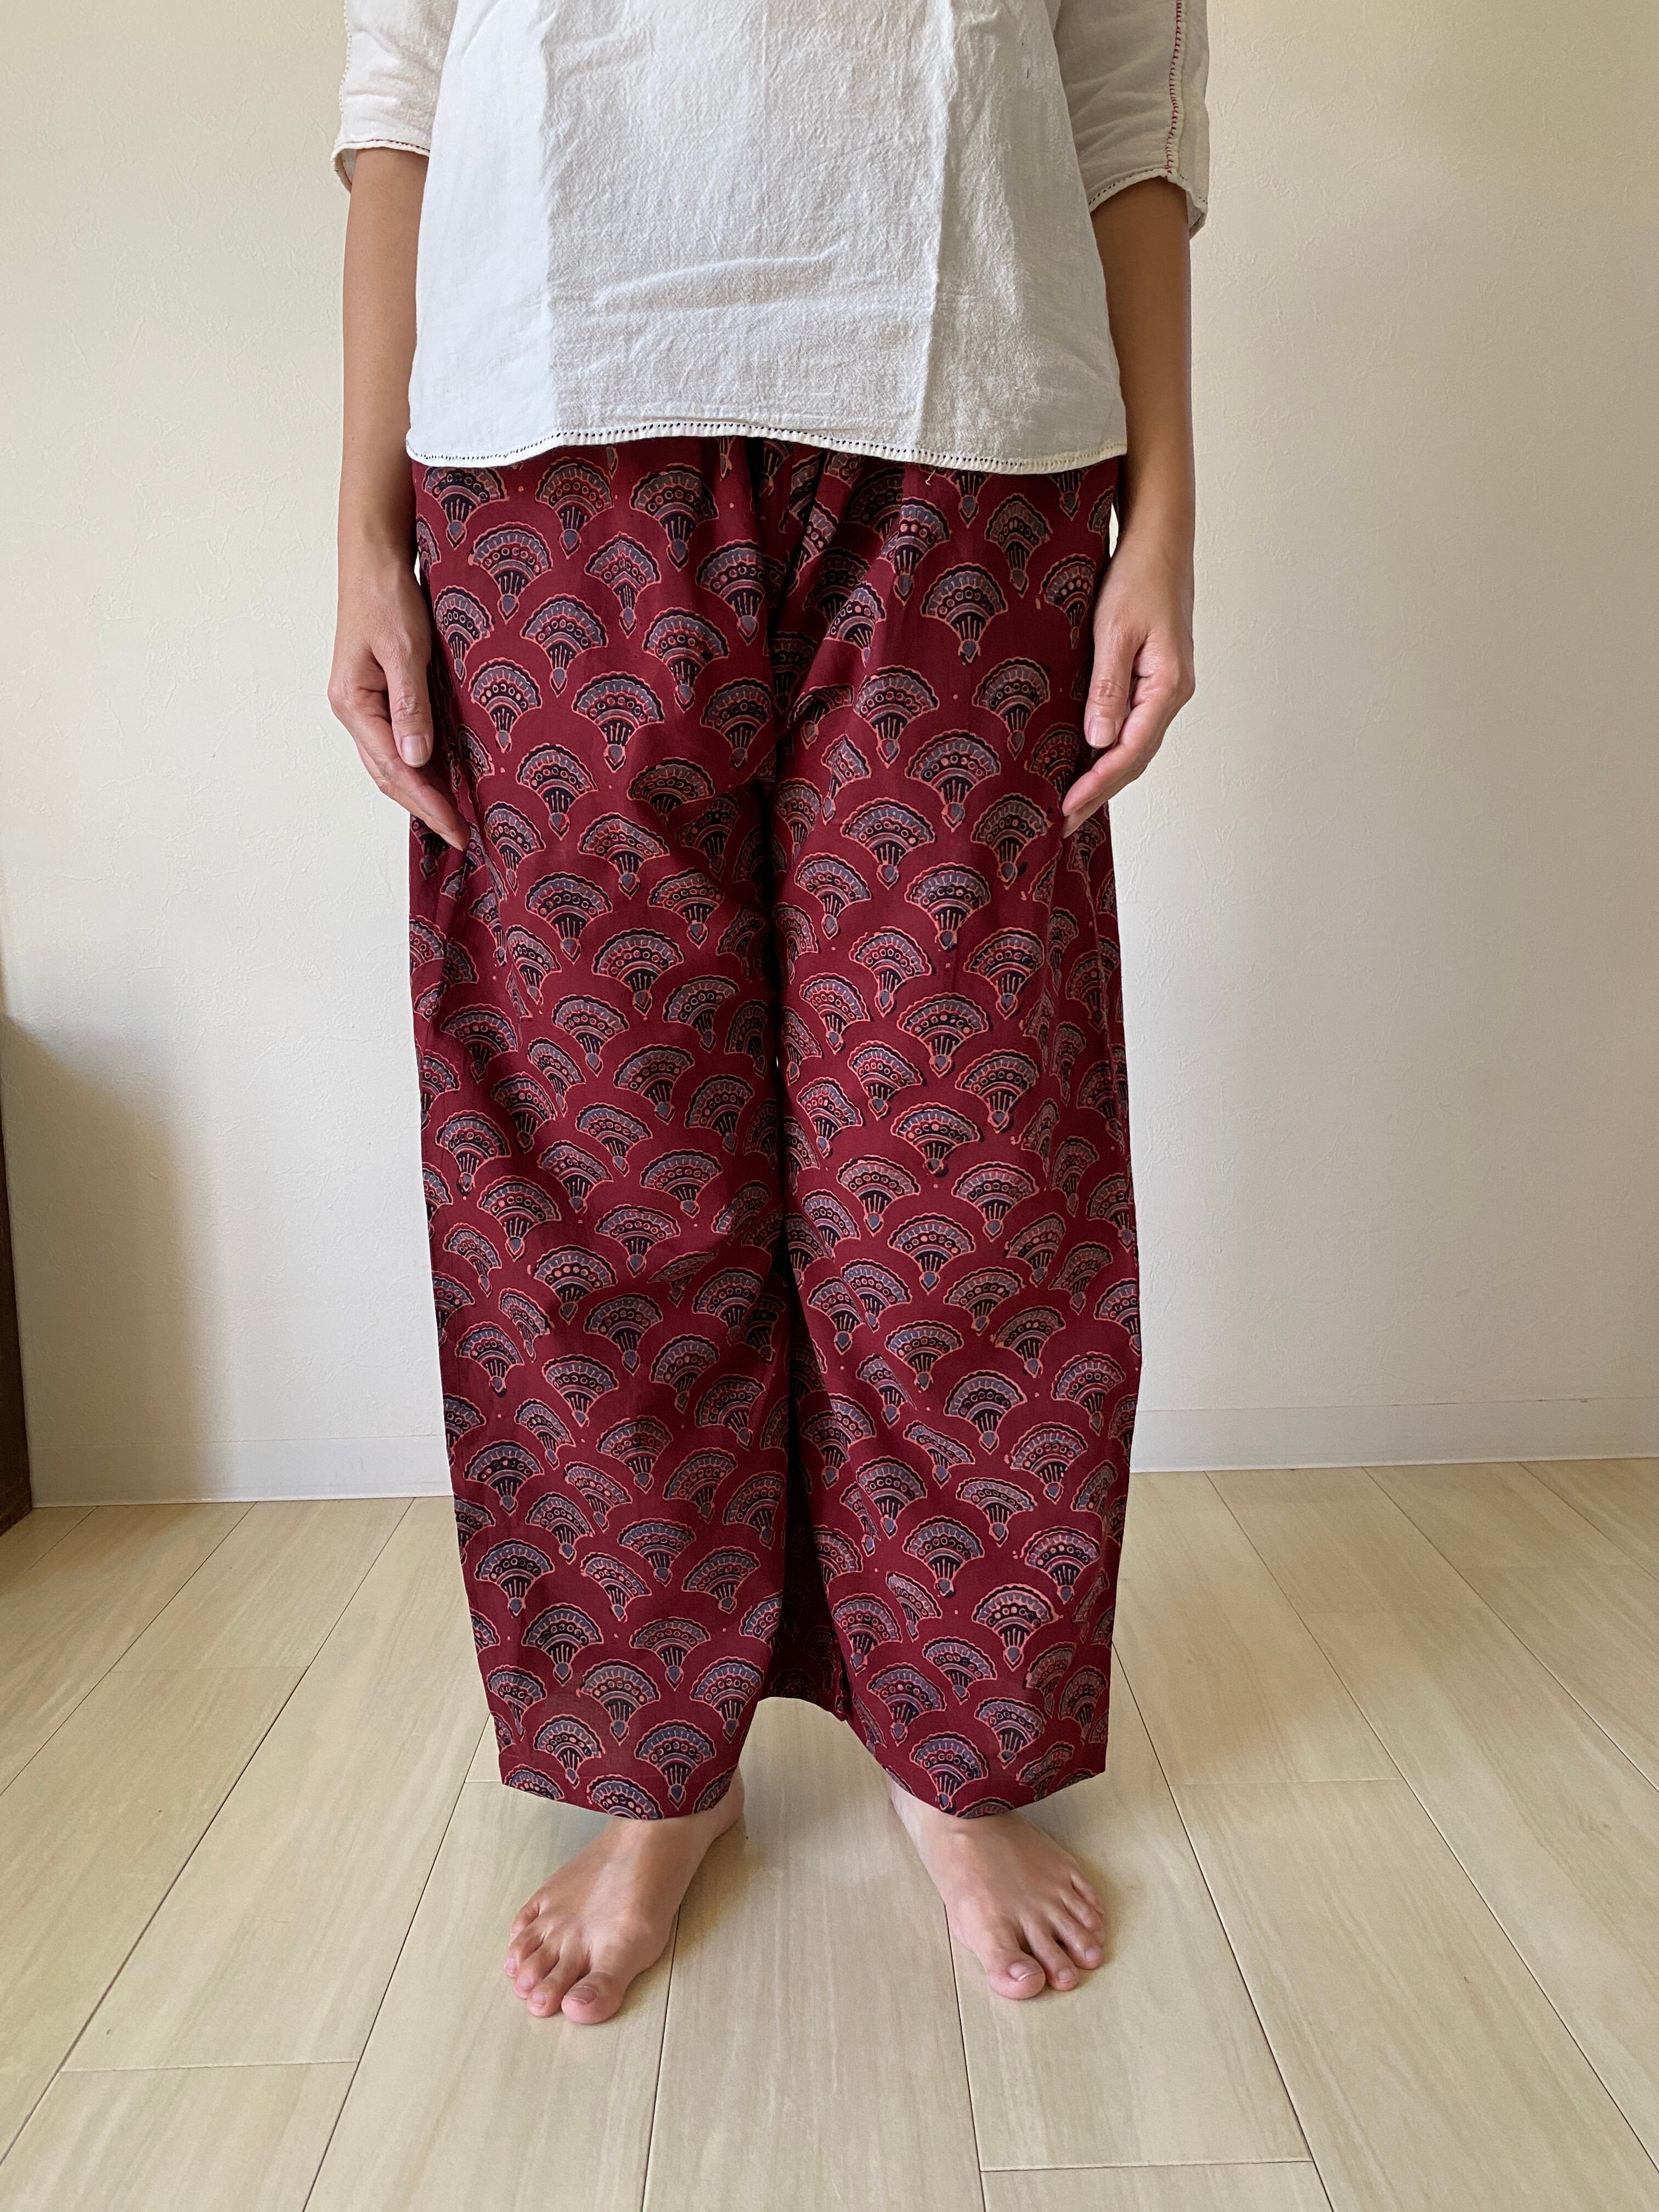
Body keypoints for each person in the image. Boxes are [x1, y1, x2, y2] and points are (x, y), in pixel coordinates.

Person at [328, 0, 1206, 2028]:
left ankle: (953, 1751)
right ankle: (659, 1774)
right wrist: (362, 523)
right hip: (547, 439)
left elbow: (1131, 86)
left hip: (975, 433)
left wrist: (1166, 505)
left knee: (968, 1172)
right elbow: (402, 76)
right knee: (600, 1181)